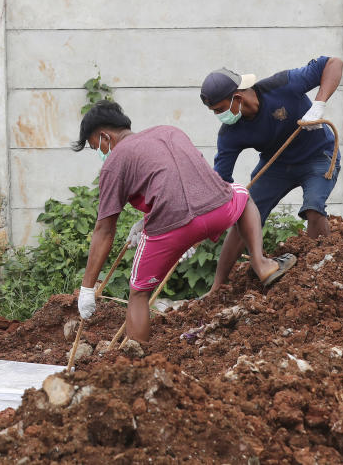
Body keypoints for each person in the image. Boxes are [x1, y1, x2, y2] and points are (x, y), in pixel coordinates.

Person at [72, 101, 296, 344]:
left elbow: (104, 229)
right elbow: (186, 178)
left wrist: (87, 289)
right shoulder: (170, 132)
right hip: (218, 208)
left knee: (138, 293)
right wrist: (150, 220)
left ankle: (136, 362)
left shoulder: (115, 163)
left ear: (105, 136)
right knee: (242, 195)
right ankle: (261, 263)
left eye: (97, 146)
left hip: (170, 229)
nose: (101, 153)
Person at [200, 58, 343, 292]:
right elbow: (221, 182)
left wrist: (319, 104)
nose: (218, 115)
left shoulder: (282, 85)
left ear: (237, 97)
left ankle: (322, 275)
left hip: (318, 155)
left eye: (218, 109)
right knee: (242, 215)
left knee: (314, 206)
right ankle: (217, 287)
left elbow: (334, 63)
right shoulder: (230, 133)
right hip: (277, 166)